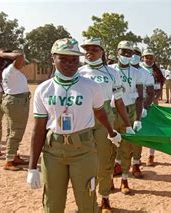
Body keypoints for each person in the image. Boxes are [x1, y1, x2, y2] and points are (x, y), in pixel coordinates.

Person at [26, 38, 122, 213]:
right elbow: (38, 129)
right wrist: (32, 167)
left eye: (74, 60)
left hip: (84, 150)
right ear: (53, 59)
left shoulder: (92, 87)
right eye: (63, 59)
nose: (70, 64)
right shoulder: (44, 89)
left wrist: (111, 132)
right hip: (53, 150)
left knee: (87, 203)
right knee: (52, 204)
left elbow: (100, 112)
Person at [78, 37, 135, 211]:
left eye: (94, 49)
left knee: (105, 162)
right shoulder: (78, 72)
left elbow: (118, 102)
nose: (90, 52)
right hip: (83, 121)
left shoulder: (112, 73)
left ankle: (104, 198)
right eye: (87, 49)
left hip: (105, 121)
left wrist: (128, 124)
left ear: (102, 52)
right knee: (83, 163)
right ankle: (87, 201)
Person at [110, 41, 148, 193]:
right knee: (109, 147)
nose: (126, 55)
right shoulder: (109, 70)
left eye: (129, 53)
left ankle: (124, 180)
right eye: (123, 51)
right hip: (112, 110)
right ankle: (109, 180)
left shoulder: (137, 73)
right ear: (117, 51)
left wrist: (138, 117)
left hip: (130, 110)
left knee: (126, 147)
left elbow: (140, 97)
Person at [0, 49, 29, 171]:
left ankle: (13, 156)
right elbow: (20, 56)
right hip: (16, 102)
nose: (23, 62)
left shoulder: (10, 71)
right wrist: (2, 54)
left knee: (12, 131)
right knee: (16, 131)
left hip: (15, 101)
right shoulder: (11, 69)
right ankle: (9, 161)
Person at [139, 49, 158, 167]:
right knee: (137, 130)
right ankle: (137, 158)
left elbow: (160, 86)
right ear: (142, 58)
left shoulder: (157, 72)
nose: (149, 60)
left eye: (151, 57)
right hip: (137, 103)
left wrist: (155, 98)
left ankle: (151, 156)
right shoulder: (137, 69)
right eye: (147, 57)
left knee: (152, 131)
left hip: (152, 104)